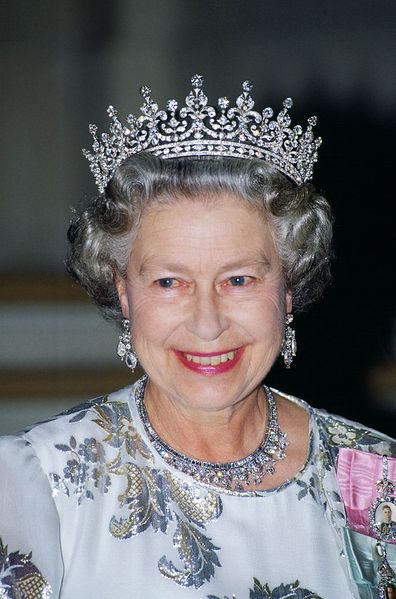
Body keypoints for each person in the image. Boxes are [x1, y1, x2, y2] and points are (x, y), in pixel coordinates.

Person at [0, 75, 395, 599]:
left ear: (288, 289)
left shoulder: (374, 477)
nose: (207, 324)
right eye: (169, 282)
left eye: (239, 280)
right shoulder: (35, 486)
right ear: (124, 293)